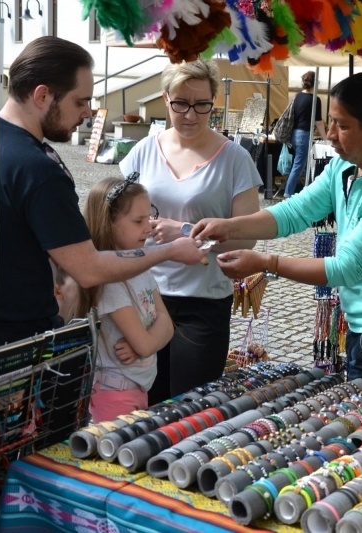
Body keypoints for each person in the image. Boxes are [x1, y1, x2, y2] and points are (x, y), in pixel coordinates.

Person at [0, 36, 205, 365]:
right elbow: (89, 269)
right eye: (80, 102)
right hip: (11, 343)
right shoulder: (39, 169)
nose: (87, 112)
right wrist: (167, 251)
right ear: (42, 95)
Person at [194, 72, 362, 396]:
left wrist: (264, 262)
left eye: (342, 125)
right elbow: (296, 211)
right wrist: (230, 226)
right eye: (331, 123)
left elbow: (344, 268)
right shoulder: (346, 166)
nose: (329, 135)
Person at [118, 59, 262, 403]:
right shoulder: (143, 151)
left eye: (202, 105)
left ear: (215, 102)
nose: (191, 115)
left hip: (202, 302)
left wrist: (185, 232)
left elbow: (247, 236)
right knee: (143, 405)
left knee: (188, 407)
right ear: (165, 99)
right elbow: (117, 220)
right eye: (180, 103)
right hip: (144, 297)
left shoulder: (235, 159)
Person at [74, 177, 173, 421]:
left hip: (136, 388)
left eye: (149, 217)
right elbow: (146, 344)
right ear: (108, 224)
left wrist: (145, 341)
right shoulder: (111, 281)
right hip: (114, 394)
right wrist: (146, 342)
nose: (148, 227)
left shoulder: (141, 268)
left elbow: (168, 325)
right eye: (138, 221)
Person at [284, 71, 327, 199]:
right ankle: (288, 193)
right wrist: (326, 138)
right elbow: (319, 123)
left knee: (298, 165)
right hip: (304, 135)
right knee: (299, 165)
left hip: (294, 133)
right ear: (316, 83)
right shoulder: (315, 99)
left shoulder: (297, 96)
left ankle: (299, 190)